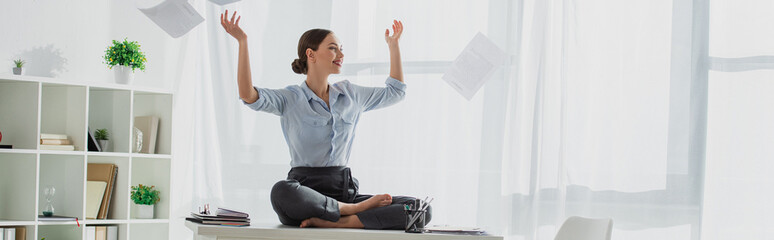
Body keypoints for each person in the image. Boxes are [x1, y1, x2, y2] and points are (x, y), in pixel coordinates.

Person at [220, 10, 431, 229]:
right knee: (281, 191)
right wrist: (242, 42)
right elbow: (248, 94)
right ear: (311, 55)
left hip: (344, 190)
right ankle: (350, 212)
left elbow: (396, 92)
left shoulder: (351, 94)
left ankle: (342, 221)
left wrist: (393, 45)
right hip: (304, 194)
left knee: (419, 208)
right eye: (333, 48)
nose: (340, 53)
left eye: (341, 48)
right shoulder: (290, 98)